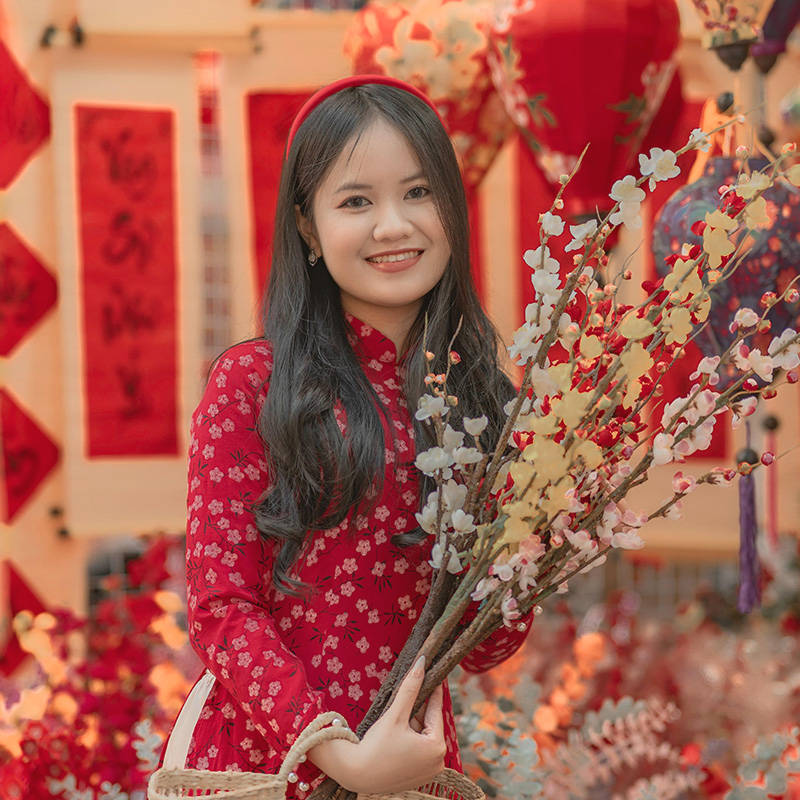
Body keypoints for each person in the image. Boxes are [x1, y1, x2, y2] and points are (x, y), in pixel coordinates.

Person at [183, 75, 533, 799]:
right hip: (269, 764)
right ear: (308, 228)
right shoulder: (254, 383)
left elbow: (483, 648)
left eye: (418, 192)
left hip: (412, 773)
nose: (393, 226)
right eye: (356, 202)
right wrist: (341, 757)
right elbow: (222, 608)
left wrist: (531, 549)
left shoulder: (482, 402)